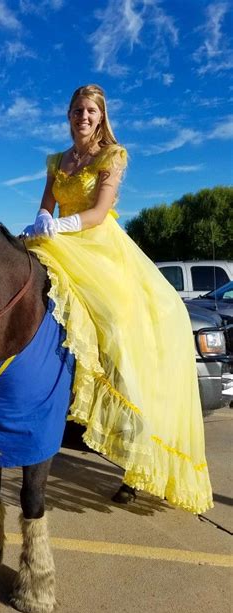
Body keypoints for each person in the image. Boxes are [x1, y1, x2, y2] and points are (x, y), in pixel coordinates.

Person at [22, 84, 213, 514]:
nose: (83, 117)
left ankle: (137, 440)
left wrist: (60, 225)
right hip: (61, 242)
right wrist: (41, 220)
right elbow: (45, 208)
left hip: (99, 248)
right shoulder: (57, 161)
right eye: (76, 110)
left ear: (101, 117)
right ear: (68, 116)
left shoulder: (113, 156)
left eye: (90, 111)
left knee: (116, 325)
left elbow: (98, 211)